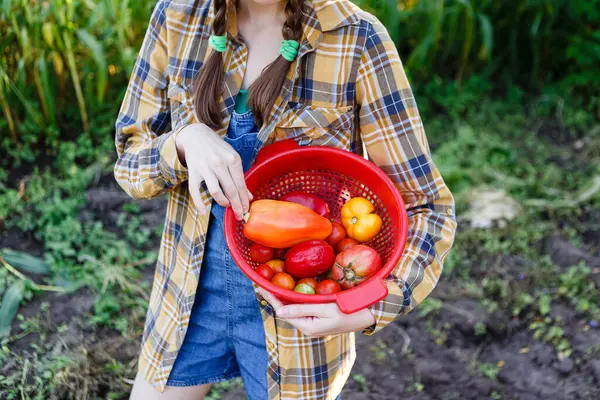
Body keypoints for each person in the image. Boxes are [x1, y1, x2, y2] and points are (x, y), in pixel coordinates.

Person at [114, 0, 457, 398]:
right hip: (186, 300)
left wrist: (366, 307)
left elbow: (426, 208)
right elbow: (129, 161)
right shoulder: (177, 16)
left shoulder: (355, 38)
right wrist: (184, 142)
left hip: (297, 322)